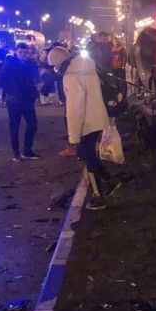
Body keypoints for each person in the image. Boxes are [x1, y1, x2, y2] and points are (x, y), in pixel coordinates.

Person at [48, 46, 119, 210]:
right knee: (89, 154)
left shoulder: (71, 76)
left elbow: (75, 107)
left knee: (88, 157)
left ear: (60, 63)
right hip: (97, 117)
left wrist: (73, 136)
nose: (55, 69)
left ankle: (98, 196)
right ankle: (109, 181)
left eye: (55, 65)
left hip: (86, 122)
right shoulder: (85, 67)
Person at [0, 43, 40, 161]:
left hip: (27, 99)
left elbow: (33, 78)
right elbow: (1, 79)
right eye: (20, 52)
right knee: (14, 126)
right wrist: (11, 91)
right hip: (14, 100)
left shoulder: (30, 63)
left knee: (32, 123)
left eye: (25, 52)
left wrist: (34, 91)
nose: (22, 54)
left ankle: (27, 150)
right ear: (16, 52)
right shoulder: (10, 63)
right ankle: (16, 152)